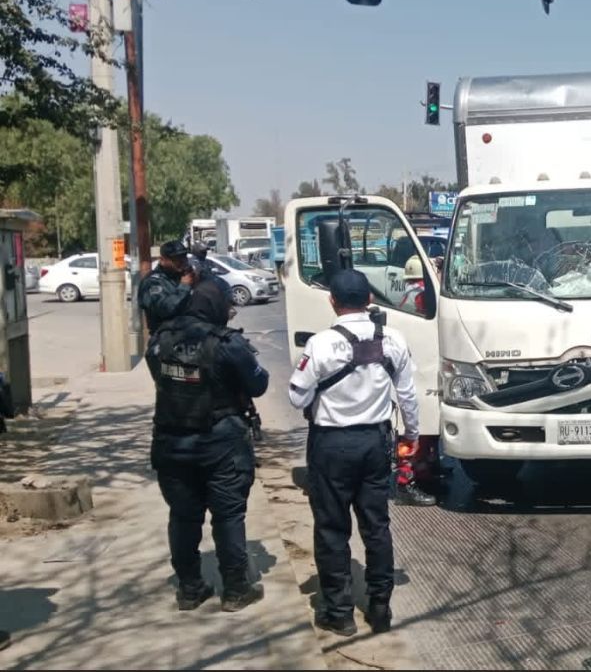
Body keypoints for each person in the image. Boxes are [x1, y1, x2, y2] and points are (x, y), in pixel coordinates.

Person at [287, 269, 433, 638]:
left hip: (331, 446)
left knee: (332, 528)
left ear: (332, 301)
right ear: (369, 300)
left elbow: (296, 397)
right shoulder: (393, 339)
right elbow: (407, 395)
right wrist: (412, 435)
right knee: (376, 525)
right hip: (375, 444)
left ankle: (339, 614)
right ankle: (380, 607)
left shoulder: (320, 344)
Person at [145, 278, 269, 612]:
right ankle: (236, 590)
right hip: (222, 444)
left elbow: (158, 375)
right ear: (217, 306)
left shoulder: (161, 338)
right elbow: (258, 384)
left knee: (183, 517)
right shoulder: (227, 343)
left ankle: (189, 589)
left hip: (172, 443)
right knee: (228, 516)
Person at [139, 240, 195, 331]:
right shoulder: (153, 281)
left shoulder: (183, 275)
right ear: (162, 260)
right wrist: (184, 287)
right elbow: (165, 309)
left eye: (184, 257)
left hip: (188, 331)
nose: (182, 261)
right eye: (176, 259)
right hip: (165, 334)